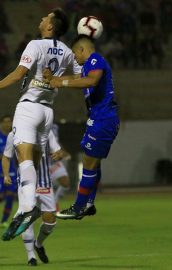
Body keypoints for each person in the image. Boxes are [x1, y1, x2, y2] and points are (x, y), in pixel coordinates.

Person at [0, 8, 81, 237]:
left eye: (46, 17)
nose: (41, 18)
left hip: (29, 108)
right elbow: (82, 78)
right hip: (47, 113)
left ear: (50, 27)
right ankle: (25, 210)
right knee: (34, 161)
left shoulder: (36, 45)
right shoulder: (67, 51)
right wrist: (59, 81)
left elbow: (18, 74)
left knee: (23, 159)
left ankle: (26, 209)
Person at [45, 35, 120, 220]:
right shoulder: (88, 65)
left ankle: (79, 207)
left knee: (89, 162)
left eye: (74, 53)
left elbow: (91, 81)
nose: (74, 58)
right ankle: (88, 204)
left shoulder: (96, 59)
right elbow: (78, 77)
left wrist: (60, 82)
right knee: (93, 162)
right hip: (97, 118)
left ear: (81, 50)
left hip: (103, 119)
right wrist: (55, 79)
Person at [1, 129, 67, 265]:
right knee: (27, 216)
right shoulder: (13, 135)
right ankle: (31, 257)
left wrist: (58, 154)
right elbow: (6, 156)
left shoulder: (46, 132)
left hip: (44, 183)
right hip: (25, 182)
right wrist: (6, 174)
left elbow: (59, 151)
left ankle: (38, 244)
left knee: (50, 222)